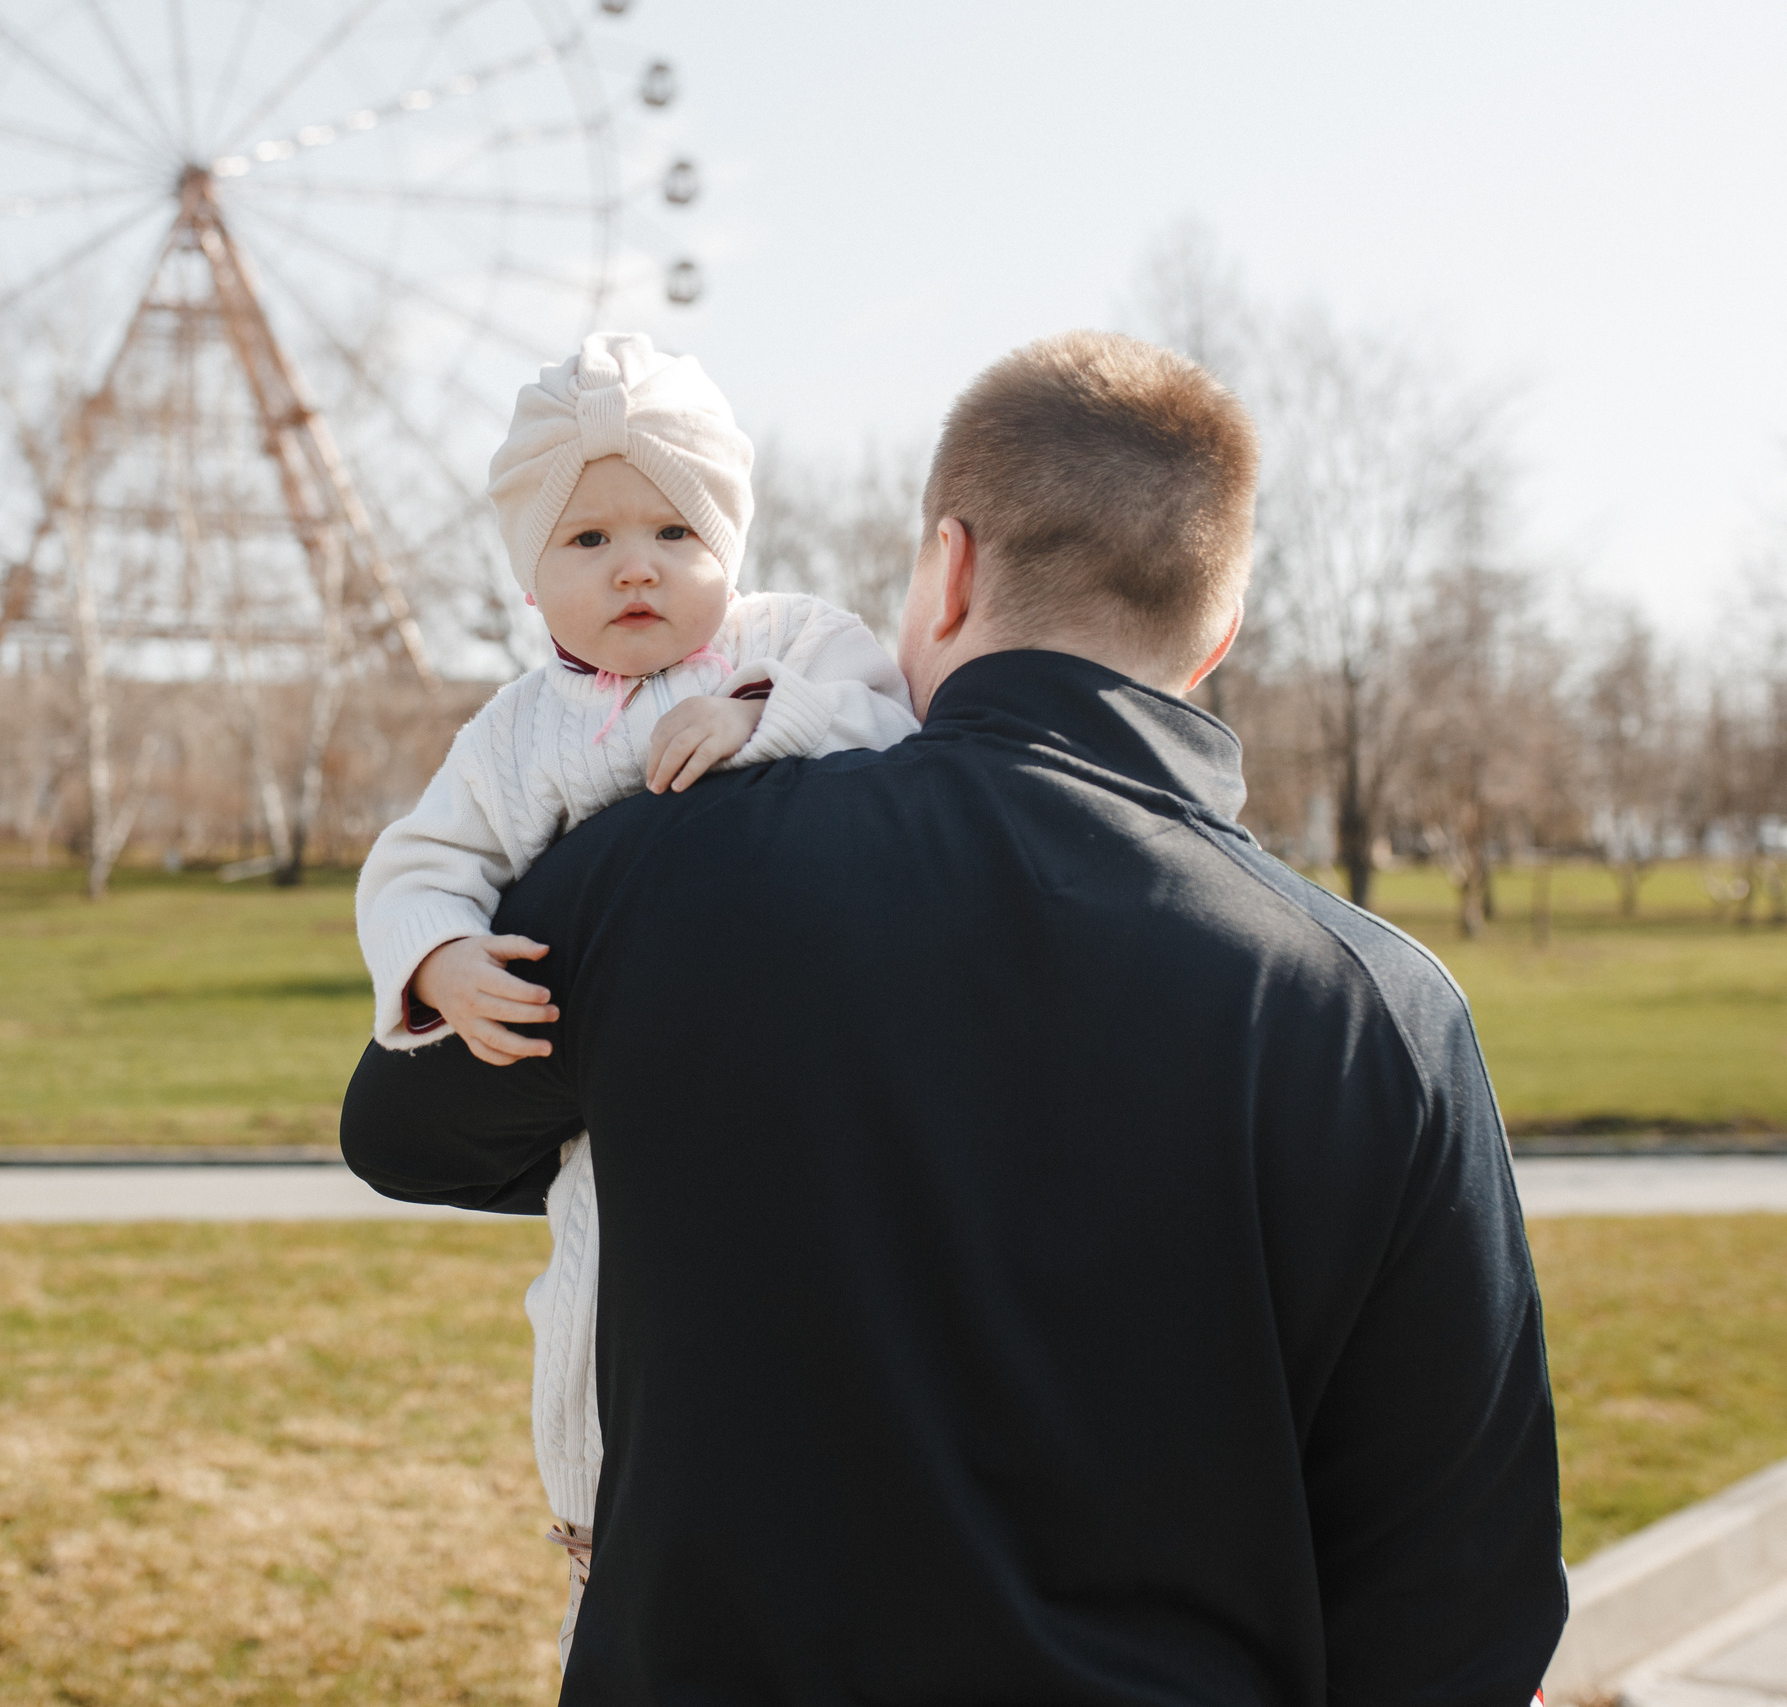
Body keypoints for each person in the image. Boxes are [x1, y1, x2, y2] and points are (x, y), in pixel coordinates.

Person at [342, 330, 1566, 1704]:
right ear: (1217, 638)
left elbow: (409, 1132)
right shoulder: (1381, 1011)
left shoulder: (664, 861)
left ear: (949, 569)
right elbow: (1462, 1602)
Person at [353, 331, 922, 1661]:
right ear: (532, 575)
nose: (638, 566)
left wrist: (759, 722)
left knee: (815, 1318)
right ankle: (599, 1563)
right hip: (612, 1125)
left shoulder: (791, 648)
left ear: (730, 535)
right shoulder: (510, 736)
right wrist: (438, 959)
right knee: (591, 1321)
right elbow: (418, 867)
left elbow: (891, 730)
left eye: (676, 528)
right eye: (590, 539)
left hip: (802, 1090)